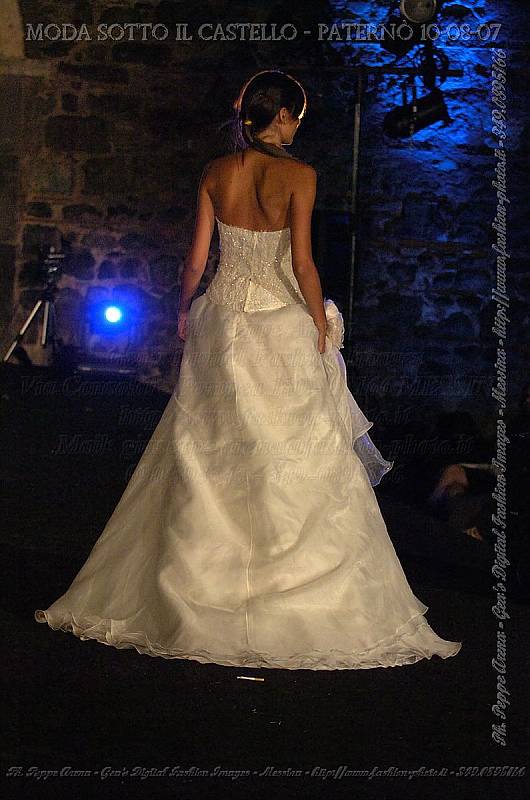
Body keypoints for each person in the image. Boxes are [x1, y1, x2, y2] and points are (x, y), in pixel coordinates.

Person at [34, 70, 461, 670]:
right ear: (281, 116)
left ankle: (202, 582)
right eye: (297, 117)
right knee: (287, 452)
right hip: (278, 326)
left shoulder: (216, 172)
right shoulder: (300, 175)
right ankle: (292, 589)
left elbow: (196, 259)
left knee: (213, 449)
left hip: (222, 320)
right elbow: (303, 262)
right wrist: (319, 323)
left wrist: (184, 310)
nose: (298, 126)